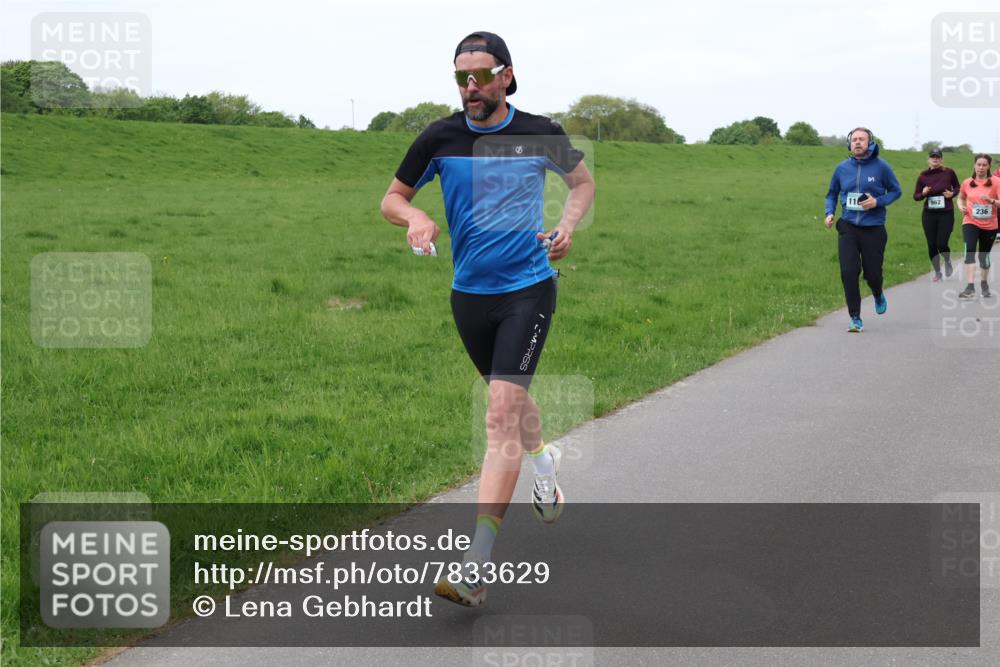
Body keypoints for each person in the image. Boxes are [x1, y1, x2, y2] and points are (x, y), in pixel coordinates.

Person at [379, 31, 595, 607]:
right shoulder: (440, 137)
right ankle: (543, 461)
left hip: (528, 287)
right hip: (468, 295)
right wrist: (415, 218)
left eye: (479, 75)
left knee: (500, 410)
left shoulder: (541, 132)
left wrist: (567, 227)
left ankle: (475, 567)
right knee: (514, 404)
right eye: (460, 77)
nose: (469, 87)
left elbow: (582, 183)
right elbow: (391, 199)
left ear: (506, 75)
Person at [824, 128, 902, 332]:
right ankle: (855, 317)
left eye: (862, 139)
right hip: (848, 227)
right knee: (849, 272)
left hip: (873, 229)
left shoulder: (882, 167)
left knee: (872, 274)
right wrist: (829, 212)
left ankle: (877, 292)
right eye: (854, 140)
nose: (857, 142)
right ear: (850, 144)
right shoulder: (842, 168)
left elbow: (896, 191)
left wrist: (877, 201)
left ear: (870, 142)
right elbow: (831, 193)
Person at [955, 154, 1000, 299]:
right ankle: (970, 287)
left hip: (990, 225)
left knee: (984, 257)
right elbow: (960, 197)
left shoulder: (996, 182)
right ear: (974, 165)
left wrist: (992, 201)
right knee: (970, 252)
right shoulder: (968, 182)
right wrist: (961, 207)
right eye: (978, 164)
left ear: (989, 167)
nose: (981, 167)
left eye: (984, 165)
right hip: (970, 222)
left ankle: (984, 283)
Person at [913, 149, 960, 281]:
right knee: (932, 244)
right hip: (929, 214)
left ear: (941, 159)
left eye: (938, 157)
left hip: (946, 213)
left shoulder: (949, 172)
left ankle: (948, 261)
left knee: (942, 243)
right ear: (928, 159)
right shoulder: (923, 176)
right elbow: (916, 196)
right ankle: (938, 272)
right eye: (933, 157)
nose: (935, 159)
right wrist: (923, 193)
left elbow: (958, 187)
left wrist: (953, 194)